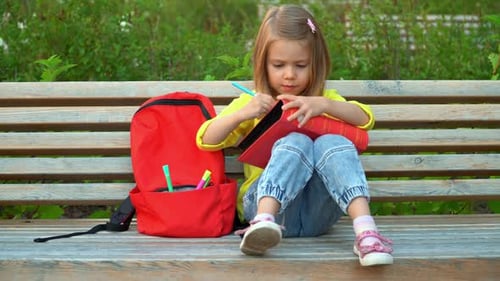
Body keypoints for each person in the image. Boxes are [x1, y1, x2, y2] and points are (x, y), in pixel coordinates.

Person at [196, 4, 393, 266]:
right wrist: (243, 114)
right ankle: (261, 224)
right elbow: (205, 139)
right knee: (296, 140)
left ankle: (366, 233)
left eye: (300, 65)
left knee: (332, 141)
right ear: (262, 63)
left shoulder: (322, 101)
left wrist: (324, 105)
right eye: (279, 65)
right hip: (268, 209)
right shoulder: (253, 103)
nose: (289, 74)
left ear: (316, 63)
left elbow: (365, 119)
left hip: (317, 215)